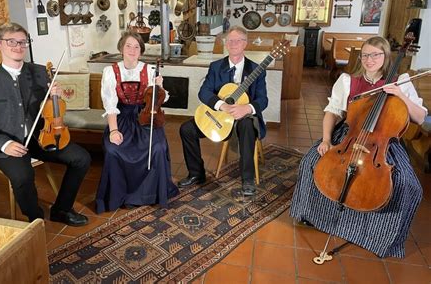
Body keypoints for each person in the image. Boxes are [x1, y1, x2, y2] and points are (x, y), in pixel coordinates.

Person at [290, 36, 427, 258]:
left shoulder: (401, 81)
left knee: (408, 186)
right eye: (365, 55)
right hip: (350, 136)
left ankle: (377, 237)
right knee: (310, 163)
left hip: (383, 144)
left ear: (386, 56)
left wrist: (400, 94)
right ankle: (311, 215)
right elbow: (332, 112)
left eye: (376, 55)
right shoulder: (347, 81)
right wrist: (326, 140)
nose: (369, 59)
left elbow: (420, 118)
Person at [0, 22, 90, 226]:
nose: (18, 46)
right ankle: (35, 218)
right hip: (5, 143)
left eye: (22, 42)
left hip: (39, 136)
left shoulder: (40, 72)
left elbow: (50, 110)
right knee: (23, 176)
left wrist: (55, 97)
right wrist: (5, 144)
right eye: (11, 42)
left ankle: (61, 209)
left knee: (81, 158)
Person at [178, 26, 268, 195]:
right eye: (229, 40)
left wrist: (246, 108)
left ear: (245, 44)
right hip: (219, 117)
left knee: (247, 126)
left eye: (238, 40)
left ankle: (247, 179)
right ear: (226, 44)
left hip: (243, 118)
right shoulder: (216, 66)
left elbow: (263, 100)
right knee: (186, 129)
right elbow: (204, 92)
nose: (233, 44)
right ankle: (196, 174)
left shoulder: (256, 70)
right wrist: (222, 105)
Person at [95, 31, 179, 213]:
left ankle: (150, 194)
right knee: (113, 149)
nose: (132, 50)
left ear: (141, 51)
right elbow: (110, 104)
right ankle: (119, 195)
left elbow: (160, 100)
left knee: (157, 148)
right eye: (128, 46)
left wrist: (159, 87)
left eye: (136, 47)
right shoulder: (110, 71)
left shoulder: (149, 70)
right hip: (121, 118)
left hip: (145, 117)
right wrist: (114, 131)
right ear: (121, 48)